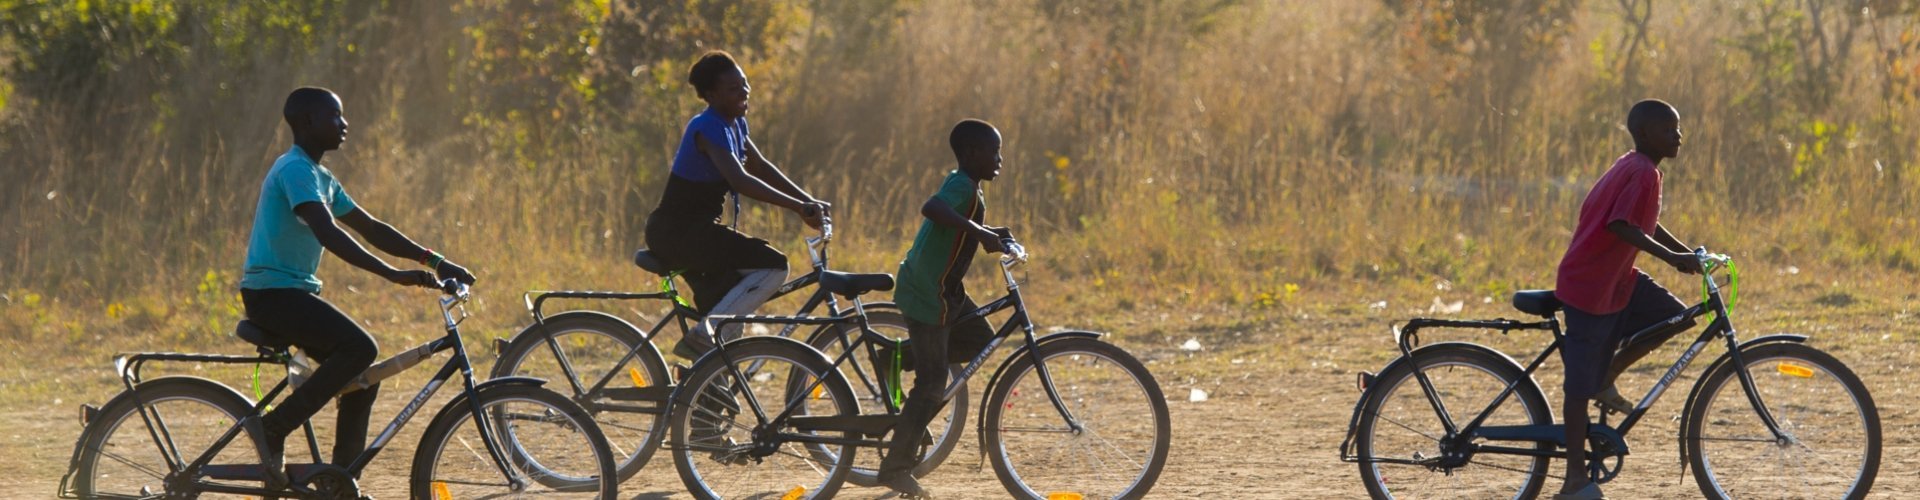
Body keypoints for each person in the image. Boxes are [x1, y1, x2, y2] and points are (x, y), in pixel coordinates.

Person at [237, 87, 476, 489]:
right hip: (272, 296)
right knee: (361, 348)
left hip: (291, 295)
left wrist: (435, 261)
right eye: (335, 116)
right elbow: (328, 232)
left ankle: (339, 485)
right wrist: (391, 275)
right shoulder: (295, 170)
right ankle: (273, 428)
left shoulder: (321, 177)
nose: (344, 124)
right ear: (309, 122)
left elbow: (372, 228)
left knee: (362, 380)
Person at [1551, 99, 1701, 500]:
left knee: (1675, 316)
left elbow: (1642, 221)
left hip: (1617, 279)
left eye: (1678, 128)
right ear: (1646, 135)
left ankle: (1607, 375)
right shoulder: (1641, 172)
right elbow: (1620, 225)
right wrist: (1671, 259)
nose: (1679, 137)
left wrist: (1685, 254)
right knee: (1578, 387)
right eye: (1670, 130)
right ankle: (1573, 481)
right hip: (1590, 285)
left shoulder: (1637, 167)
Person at [643, 50, 829, 360]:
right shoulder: (709, 126)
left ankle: (707, 389)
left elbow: (759, 165)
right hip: (678, 233)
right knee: (774, 265)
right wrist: (798, 208)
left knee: (733, 299)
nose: (744, 92)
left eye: (744, 84)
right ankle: (704, 336)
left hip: (696, 232)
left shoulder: (734, 122)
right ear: (712, 95)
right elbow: (740, 179)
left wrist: (808, 201)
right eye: (733, 89)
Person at [876, 119, 1010, 497]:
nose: (1000, 159)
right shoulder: (960, 184)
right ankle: (896, 466)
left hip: (946, 290)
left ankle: (896, 357)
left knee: (979, 341)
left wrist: (993, 234)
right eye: (994, 152)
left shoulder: (971, 190)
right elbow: (932, 208)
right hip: (927, 292)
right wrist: (979, 232)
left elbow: (958, 225)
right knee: (933, 383)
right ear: (970, 154)